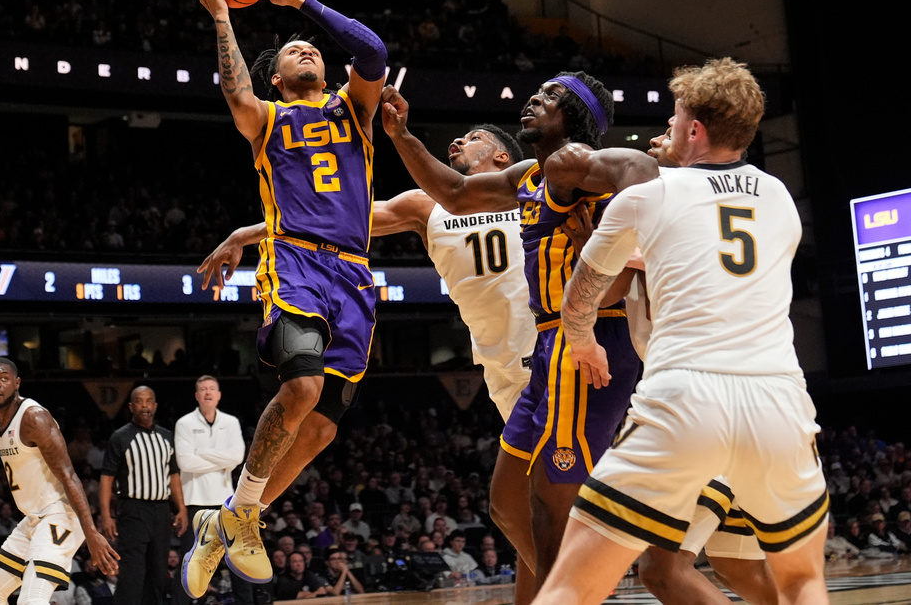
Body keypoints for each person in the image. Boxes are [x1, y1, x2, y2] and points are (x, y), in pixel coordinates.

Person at [534, 58, 829, 604]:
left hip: (685, 396)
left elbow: (581, 297)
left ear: (694, 130)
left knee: (573, 586)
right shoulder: (783, 199)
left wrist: (582, 340)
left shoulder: (646, 196)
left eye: (674, 117)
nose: (667, 127)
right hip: (780, 403)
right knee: (802, 581)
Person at [381, 75, 655, 599]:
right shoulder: (531, 174)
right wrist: (401, 135)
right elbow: (456, 193)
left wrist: (628, 240)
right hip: (548, 348)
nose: (533, 99)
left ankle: (585, 590)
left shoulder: (578, 161)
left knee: (553, 506)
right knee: (509, 504)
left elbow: (640, 167)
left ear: (574, 116)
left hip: (588, 341)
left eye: (550, 97)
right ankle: (579, 589)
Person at [185, 0, 387, 594]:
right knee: (299, 390)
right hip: (295, 262)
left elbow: (374, 52)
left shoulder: (354, 112)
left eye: (315, 50)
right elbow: (233, 87)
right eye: (295, 50)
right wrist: (222, 16)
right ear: (276, 78)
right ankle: (242, 506)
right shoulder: (267, 118)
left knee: (323, 426)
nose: (309, 51)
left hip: (354, 277)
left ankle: (233, 520)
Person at [202, 124, 533, 425]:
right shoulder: (425, 205)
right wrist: (244, 234)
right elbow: (330, 218)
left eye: (475, 137)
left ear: (502, 157)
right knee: (542, 477)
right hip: (498, 363)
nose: (459, 138)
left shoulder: (529, 190)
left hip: (547, 341)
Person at [0, 358, 119, 605]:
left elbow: (69, 475)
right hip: (34, 518)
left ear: (17, 383)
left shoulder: (33, 418)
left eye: (3, 378)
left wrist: (91, 533)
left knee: (31, 599)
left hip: (60, 514)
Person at [100, 385, 188, 605]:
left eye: (149, 401)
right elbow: (107, 478)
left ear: (155, 406)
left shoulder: (166, 436)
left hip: (161, 511)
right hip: (133, 510)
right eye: (139, 401)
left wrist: (182, 508)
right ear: (131, 406)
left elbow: (174, 475)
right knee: (132, 573)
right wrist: (106, 515)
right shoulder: (120, 437)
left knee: (158, 572)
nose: (145, 405)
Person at [174, 376, 248, 603]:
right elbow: (185, 463)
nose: (208, 392)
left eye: (212, 389)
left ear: (219, 395)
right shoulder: (184, 423)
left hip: (226, 500)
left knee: (238, 559)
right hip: (194, 501)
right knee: (190, 561)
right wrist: (221, 459)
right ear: (197, 396)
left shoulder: (231, 422)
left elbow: (237, 457)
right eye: (203, 389)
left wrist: (202, 453)